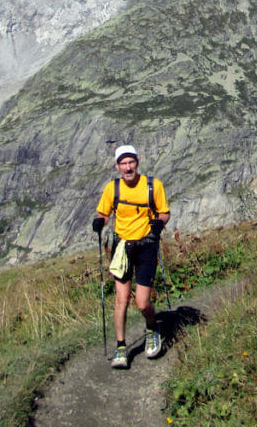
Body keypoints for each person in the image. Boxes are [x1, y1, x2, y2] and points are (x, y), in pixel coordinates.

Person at [92, 144, 171, 369]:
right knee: (121, 300)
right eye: (123, 164)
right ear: (117, 166)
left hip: (147, 245)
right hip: (122, 248)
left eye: (131, 162)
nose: (128, 168)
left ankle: (152, 327)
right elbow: (104, 214)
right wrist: (100, 222)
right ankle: (120, 346)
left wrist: (160, 223)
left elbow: (164, 212)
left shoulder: (152, 186)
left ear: (137, 162)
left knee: (142, 302)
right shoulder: (112, 189)